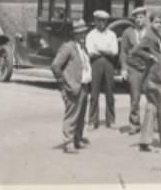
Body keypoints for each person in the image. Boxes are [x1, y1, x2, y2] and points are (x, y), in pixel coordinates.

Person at [134, 11, 161, 152]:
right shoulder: (149, 36)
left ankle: (145, 141)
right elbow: (136, 51)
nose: (159, 24)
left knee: (152, 108)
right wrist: (149, 56)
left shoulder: (156, 36)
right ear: (150, 22)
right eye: (156, 22)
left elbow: (160, 52)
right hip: (152, 78)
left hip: (158, 75)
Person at [50, 19, 93, 153]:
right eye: (79, 33)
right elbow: (55, 66)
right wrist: (64, 84)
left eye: (84, 33)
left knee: (80, 116)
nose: (82, 36)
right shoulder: (68, 47)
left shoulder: (82, 47)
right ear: (74, 34)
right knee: (72, 115)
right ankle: (68, 143)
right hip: (73, 87)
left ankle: (77, 139)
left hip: (84, 85)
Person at [85, 10, 119, 129]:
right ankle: (93, 120)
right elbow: (91, 52)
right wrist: (106, 50)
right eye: (99, 20)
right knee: (94, 92)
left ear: (106, 21)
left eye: (103, 21)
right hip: (96, 64)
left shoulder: (112, 35)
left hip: (109, 64)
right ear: (95, 21)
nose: (101, 23)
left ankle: (111, 119)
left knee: (110, 92)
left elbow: (114, 52)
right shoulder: (91, 35)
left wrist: (100, 49)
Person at [118, 6, 148, 134]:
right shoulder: (128, 32)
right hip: (134, 69)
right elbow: (123, 52)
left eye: (141, 17)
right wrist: (124, 69)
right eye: (136, 18)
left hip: (148, 69)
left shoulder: (150, 32)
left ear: (145, 18)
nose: (139, 20)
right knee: (135, 98)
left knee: (152, 96)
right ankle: (134, 124)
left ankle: (153, 123)